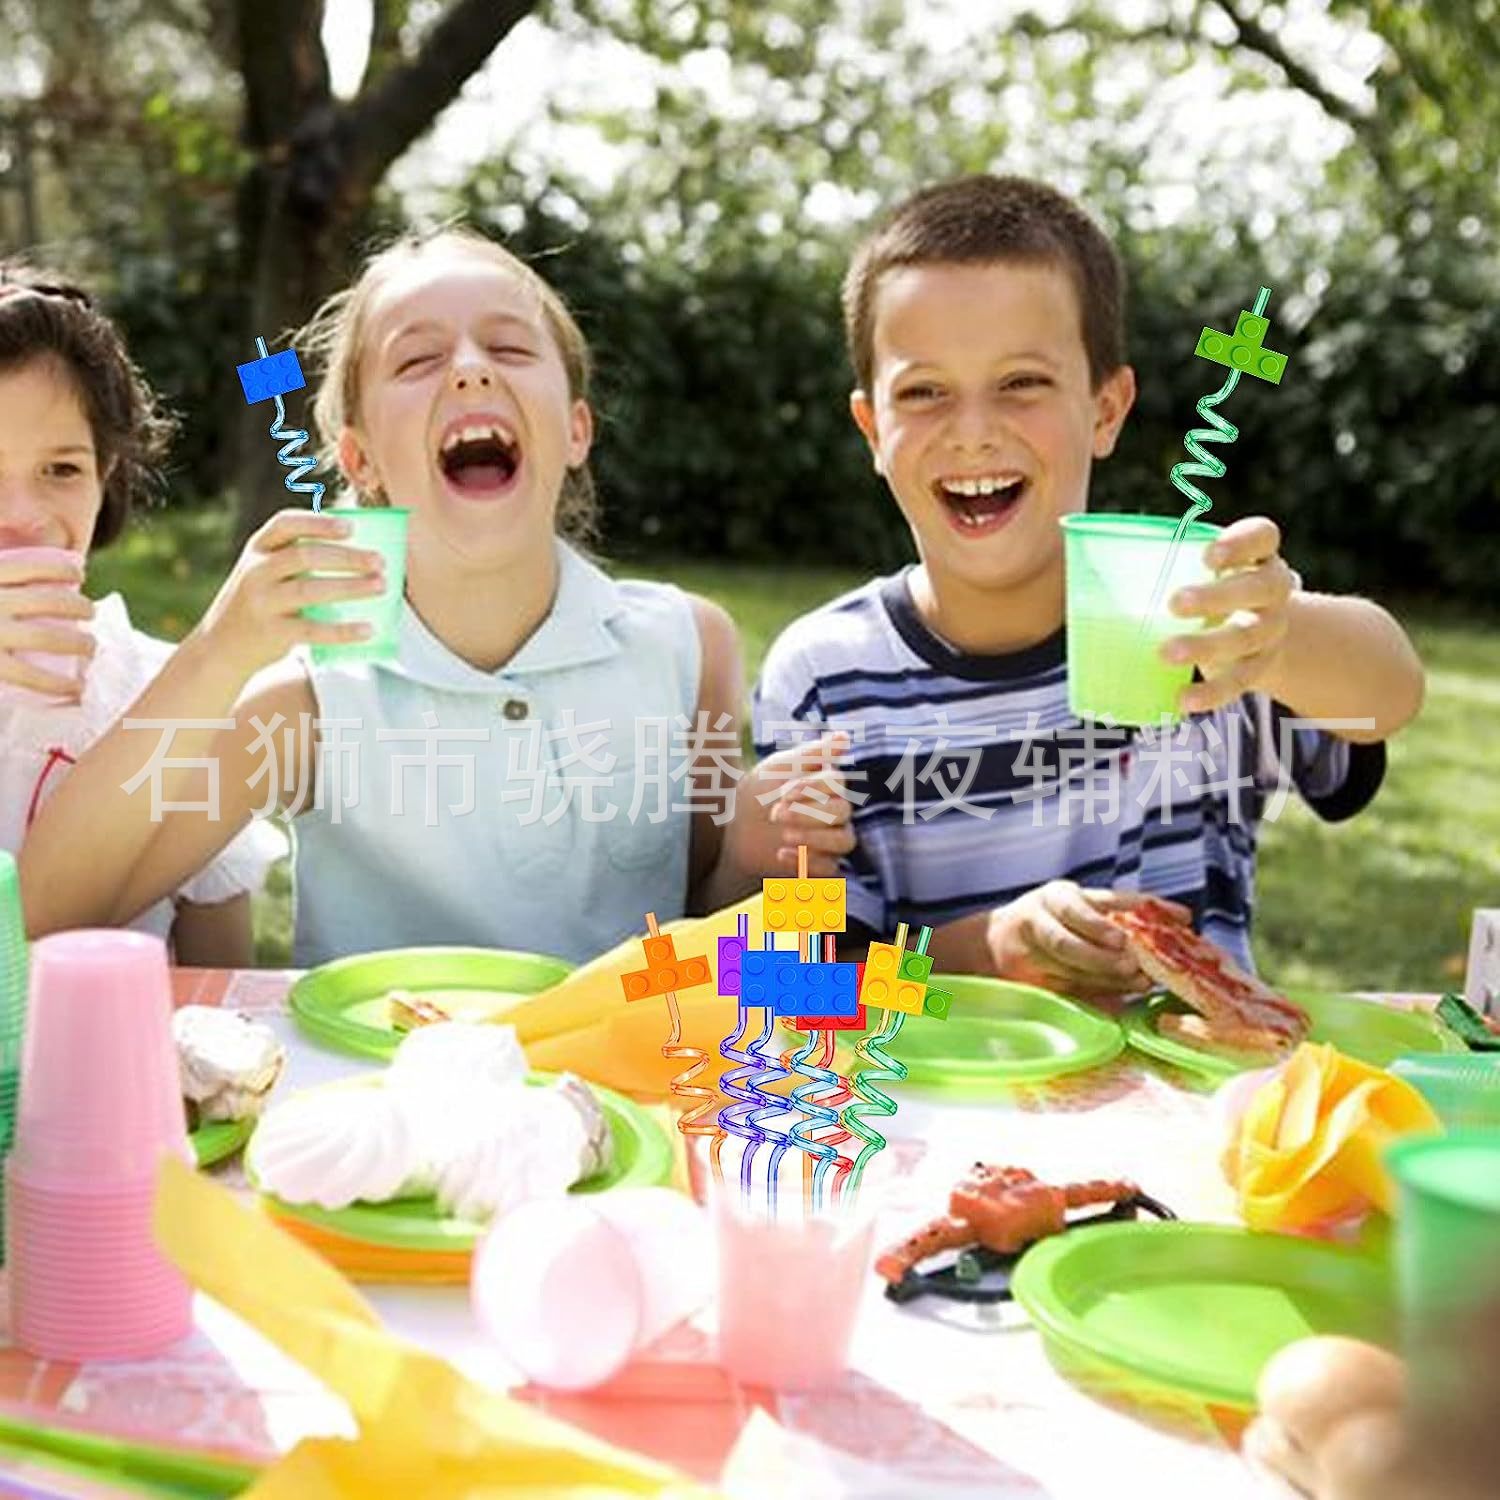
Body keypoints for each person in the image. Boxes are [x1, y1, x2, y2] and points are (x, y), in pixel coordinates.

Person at [21, 229, 847, 966]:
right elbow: (39, 923)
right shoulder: (308, 703)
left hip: (629, 1087)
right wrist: (216, 651)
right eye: (417, 361)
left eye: (510, 347)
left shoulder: (689, 645)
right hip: (386, 1090)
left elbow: (714, 939)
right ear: (360, 459)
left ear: (576, 430)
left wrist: (750, 860)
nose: (471, 368)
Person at [752, 176, 1424, 996]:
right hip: (926, 1079)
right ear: (872, 429)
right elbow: (794, 988)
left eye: (1021, 383)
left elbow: (1389, 695)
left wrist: (1279, 641)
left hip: (1208, 1071)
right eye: (924, 392)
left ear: (1106, 410)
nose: (973, 432)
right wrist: (984, 952)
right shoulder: (824, 677)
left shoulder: (1199, 622)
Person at [0, 263, 281, 965]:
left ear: (106, 479)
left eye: (62, 470)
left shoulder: (169, 692)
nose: (23, 517)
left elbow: (220, 992)